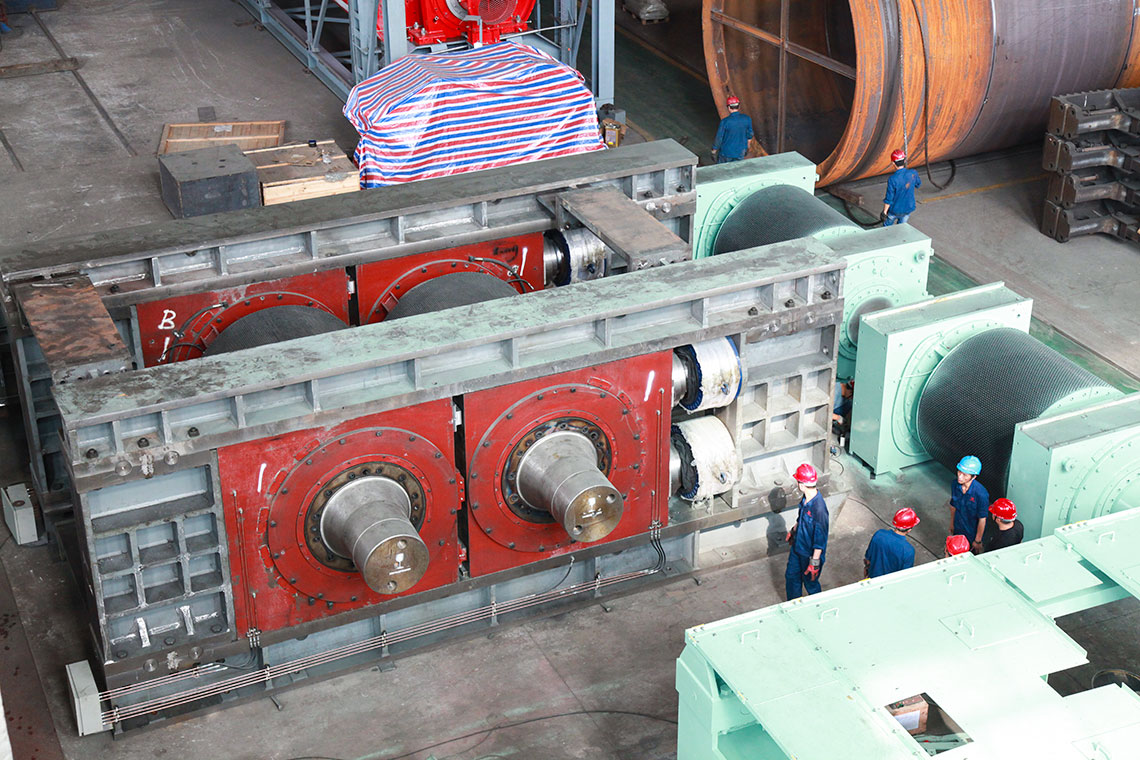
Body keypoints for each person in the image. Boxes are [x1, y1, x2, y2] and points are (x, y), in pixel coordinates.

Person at [785, 463, 829, 600]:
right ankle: (793, 605)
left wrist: (814, 563)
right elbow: (801, 519)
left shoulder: (819, 509)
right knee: (791, 577)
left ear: (802, 485)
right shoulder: (805, 499)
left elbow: (820, 540)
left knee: (810, 583)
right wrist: (793, 531)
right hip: (797, 547)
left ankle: (817, 606)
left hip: (810, 554)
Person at [948, 455, 989, 554]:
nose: (960, 477)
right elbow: (953, 506)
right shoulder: (955, 484)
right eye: (959, 472)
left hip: (971, 533)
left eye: (965, 475)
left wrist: (977, 540)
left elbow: (982, 519)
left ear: (974, 476)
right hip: (958, 527)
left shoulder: (981, 494)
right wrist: (952, 524)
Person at [864, 508, 919, 578]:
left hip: (873, 577)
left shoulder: (879, 534)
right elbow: (905, 576)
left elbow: (868, 559)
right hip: (889, 582)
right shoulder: (908, 551)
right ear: (909, 530)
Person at [881, 149, 921, 226]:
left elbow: (889, 198)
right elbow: (918, 184)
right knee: (901, 227)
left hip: (894, 210)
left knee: (887, 228)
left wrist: (884, 212)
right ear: (904, 160)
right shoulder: (913, 173)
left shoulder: (893, 179)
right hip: (908, 208)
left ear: (893, 163)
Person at [711, 95, 753, 164]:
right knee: (737, 169)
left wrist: (714, 151)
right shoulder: (747, 119)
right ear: (739, 106)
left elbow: (719, 138)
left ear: (728, 108)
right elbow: (750, 135)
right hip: (740, 152)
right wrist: (747, 147)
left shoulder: (725, 122)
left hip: (726, 153)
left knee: (723, 169)